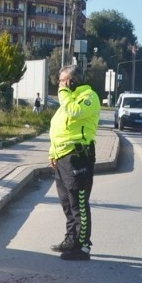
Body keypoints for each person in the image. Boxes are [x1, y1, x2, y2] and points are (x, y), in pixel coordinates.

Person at [48, 65, 101, 260]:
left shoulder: (88, 97)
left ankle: (83, 246)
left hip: (78, 157)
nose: (60, 85)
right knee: (67, 203)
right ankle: (71, 240)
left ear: (73, 81)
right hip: (62, 158)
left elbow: (74, 113)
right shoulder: (68, 99)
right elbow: (58, 129)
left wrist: (63, 92)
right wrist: (52, 153)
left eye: (63, 81)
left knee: (78, 202)